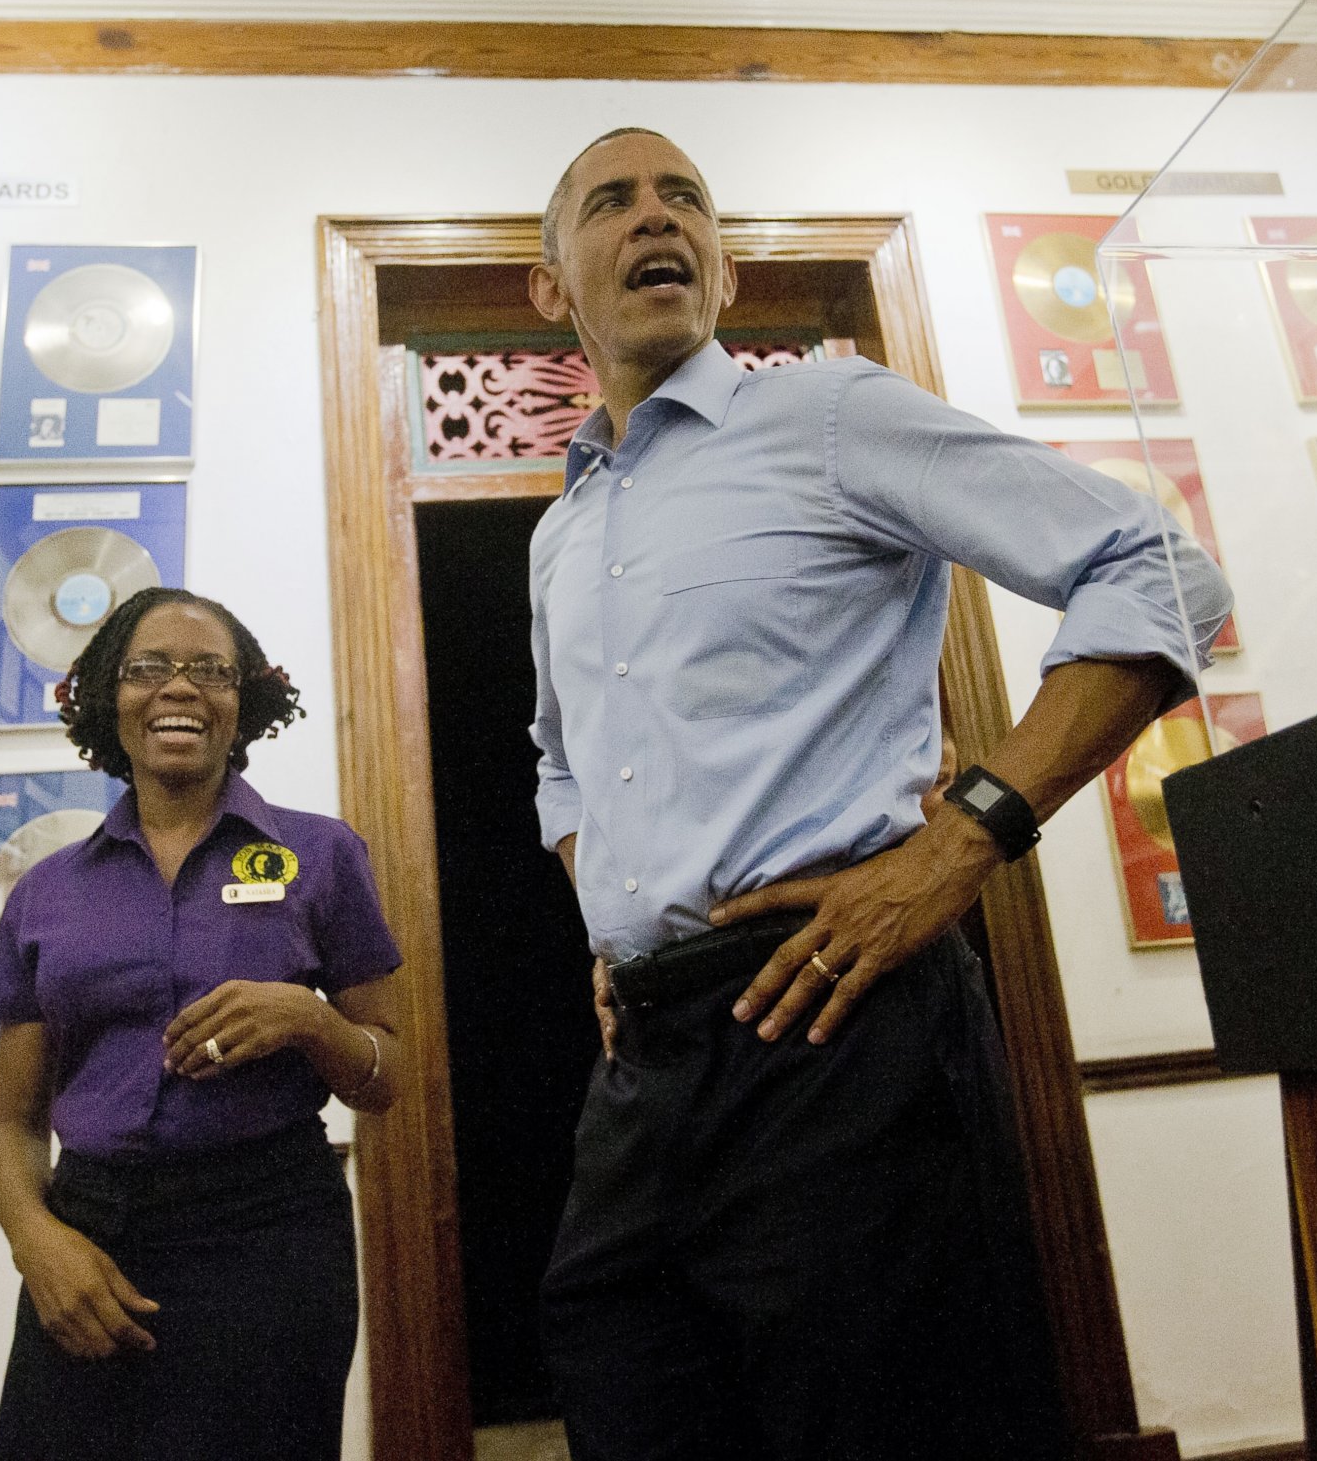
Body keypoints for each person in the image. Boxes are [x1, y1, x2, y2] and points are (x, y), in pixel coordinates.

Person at [525, 128, 1234, 1461]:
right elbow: (561, 760)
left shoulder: (831, 413)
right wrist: (610, 922)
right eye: (612, 202)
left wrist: (962, 842)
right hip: (647, 1067)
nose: (655, 216)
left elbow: (1155, 568)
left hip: (838, 1026)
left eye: (685, 195)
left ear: (723, 269)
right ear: (551, 285)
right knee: (626, 1390)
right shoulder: (562, 531)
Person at [0, 587, 404, 1461]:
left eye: (211, 670)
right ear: (107, 696)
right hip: (86, 1241)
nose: (180, 687)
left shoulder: (319, 855)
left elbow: (391, 1075)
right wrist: (37, 1243)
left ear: (245, 702)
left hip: (268, 1238)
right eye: (148, 668)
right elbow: (13, 1123)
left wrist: (309, 1019)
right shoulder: (44, 891)